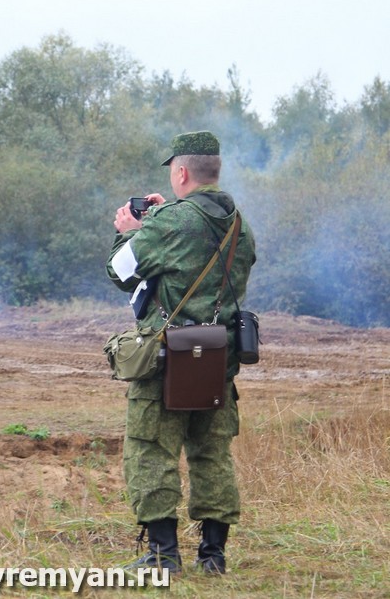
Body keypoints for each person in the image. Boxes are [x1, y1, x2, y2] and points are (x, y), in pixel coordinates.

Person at [105, 131, 256, 574]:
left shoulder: (170, 223)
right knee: (212, 455)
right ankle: (214, 557)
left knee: (151, 450)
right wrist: (161, 217)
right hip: (218, 360)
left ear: (181, 172)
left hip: (168, 359)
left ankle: (161, 555)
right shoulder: (239, 224)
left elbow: (120, 272)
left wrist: (130, 231)